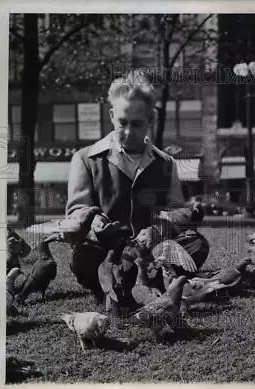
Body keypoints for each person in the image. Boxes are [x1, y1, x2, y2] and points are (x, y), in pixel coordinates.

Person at [65, 70, 207, 302]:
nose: (129, 132)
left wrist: (158, 230)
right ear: (112, 116)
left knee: (197, 243)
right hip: (104, 252)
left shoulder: (165, 163)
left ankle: (142, 281)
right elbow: (75, 213)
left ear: (150, 120)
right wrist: (94, 224)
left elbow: (180, 212)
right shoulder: (85, 159)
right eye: (123, 122)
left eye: (138, 124)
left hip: (148, 254)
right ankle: (123, 284)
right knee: (82, 255)